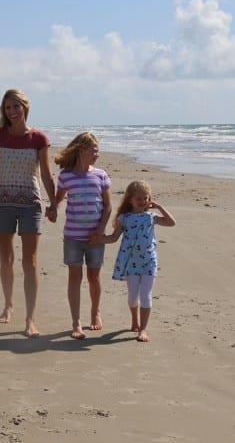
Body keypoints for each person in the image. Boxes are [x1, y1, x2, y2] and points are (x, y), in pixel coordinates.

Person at [0, 89, 57, 338]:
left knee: (30, 261)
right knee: (6, 258)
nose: (12, 112)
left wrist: (54, 203)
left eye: (16, 106)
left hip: (31, 203)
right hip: (2, 201)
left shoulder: (38, 138)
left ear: (25, 107)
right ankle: (8, 305)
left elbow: (47, 174)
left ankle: (30, 319)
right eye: (8, 108)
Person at [51, 132, 112, 340]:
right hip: (73, 237)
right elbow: (58, 199)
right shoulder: (66, 176)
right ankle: (76, 322)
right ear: (82, 150)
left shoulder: (101, 175)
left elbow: (108, 206)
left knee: (94, 277)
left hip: (95, 237)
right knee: (74, 278)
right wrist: (52, 209)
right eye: (94, 150)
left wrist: (101, 230)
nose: (97, 154)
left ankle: (95, 312)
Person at [100, 180, 175, 342]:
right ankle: (134, 320)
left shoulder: (151, 217)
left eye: (146, 198)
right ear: (130, 200)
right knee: (133, 297)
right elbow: (114, 238)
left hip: (149, 262)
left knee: (145, 296)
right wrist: (98, 239)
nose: (142, 202)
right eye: (138, 198)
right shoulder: (124, 218)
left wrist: (160, 207)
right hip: (131, 263)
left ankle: (143, 329)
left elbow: (171, 222)